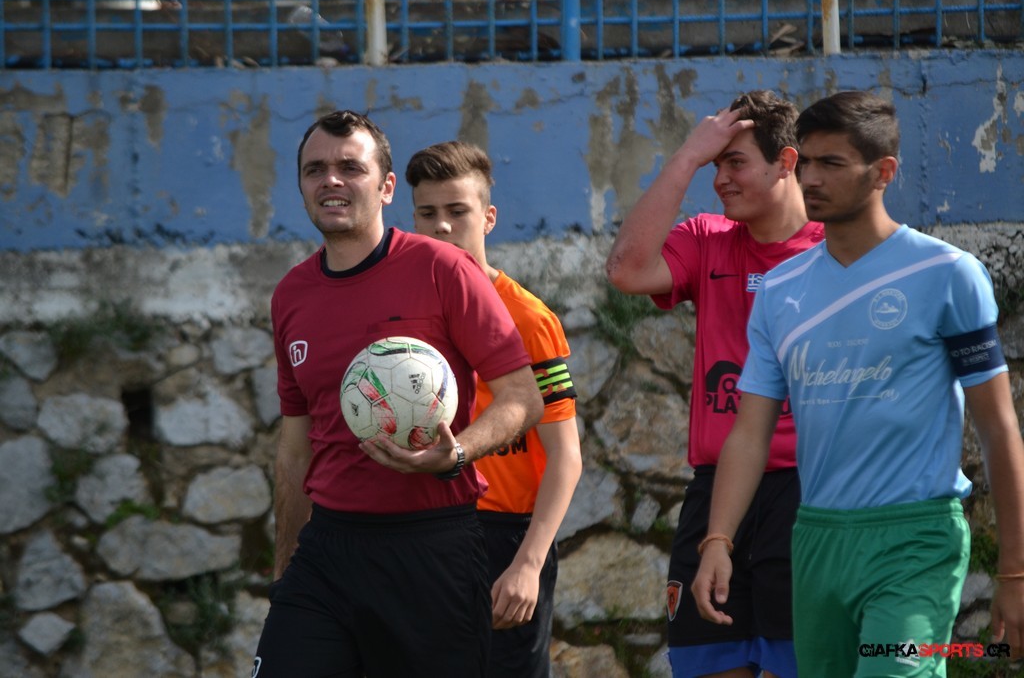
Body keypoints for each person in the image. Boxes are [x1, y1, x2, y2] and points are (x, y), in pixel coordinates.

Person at [692, 90, 1024, 675]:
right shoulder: (779, 291)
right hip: (816, 540)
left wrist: (1016, 573)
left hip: (916, 539)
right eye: (806, 161)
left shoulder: (948, 274)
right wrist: (718, 539)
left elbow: (998, 429)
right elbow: (749, 432)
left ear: (883, 172)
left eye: (832, 163)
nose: (811, 178)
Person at [253, 110, 544, 678]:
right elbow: (295, 447)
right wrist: (286, 566)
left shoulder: (444, 269)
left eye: (350, 167)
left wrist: (455, 454)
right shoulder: (291, 295)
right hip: (327, 551)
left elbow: (521, 398)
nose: (331, 180)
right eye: (315, 169)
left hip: (431, 547)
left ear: (387, 187)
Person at [605, 90, 824, 678]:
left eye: (735, 163)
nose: (720, 179)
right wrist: (686, 157)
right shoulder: (707, 237)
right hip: (715, 491)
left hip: (806, 491)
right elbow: (626, 270)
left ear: (786, 162)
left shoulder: (833, 250)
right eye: (714, 164)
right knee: (705, 663)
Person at [405, 140, 583, 678]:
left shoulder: (529, 319)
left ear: (488, 218)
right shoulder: (402, 318)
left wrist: (528, 563)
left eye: (457, 211)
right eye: (427, 213)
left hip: (505, 539)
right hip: (419, 531)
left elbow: (566, 456)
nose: (442, 226)